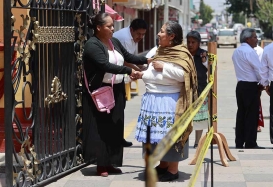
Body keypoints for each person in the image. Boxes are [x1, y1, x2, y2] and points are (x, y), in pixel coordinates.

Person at [82, 13, 150, 177]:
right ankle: (101, 164)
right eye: (109, 26)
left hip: (116, 89)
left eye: (113, 26)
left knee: (115, 126)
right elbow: (105, 65)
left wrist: (148, 60)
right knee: (102, 128)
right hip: (100, 91)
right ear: (98, 28)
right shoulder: (92, 45)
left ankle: (112, 162)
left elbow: (129, 57)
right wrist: (129, 71)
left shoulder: (114, 42)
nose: (113, 29)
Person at [134, 21, 198, 182]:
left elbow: (185, 76)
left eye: (161, 31)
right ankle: (162, 165)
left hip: (170, 101)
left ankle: (172, 169)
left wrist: (165, 67)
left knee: (170, 136)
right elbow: (152, 71)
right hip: (153, 100)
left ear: (171, 36)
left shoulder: (182, 53)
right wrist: (141, 75)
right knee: (157, 137)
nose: (158, 34)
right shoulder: (158, 50)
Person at [113, 18, 148, 147]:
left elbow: (130, 57)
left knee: (121, 106)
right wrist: (139, 69)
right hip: (114, 76)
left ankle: (118, 137)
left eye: (143, 34)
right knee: (117, 107)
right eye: (139, 34)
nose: (141, 37)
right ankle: (116, 138)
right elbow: (125, 59)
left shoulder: (132, 37)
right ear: (132, 30)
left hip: (120, 75)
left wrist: (140, 67)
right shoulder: (125, 38)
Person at [232, 28, 264, 149]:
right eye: (255, 37)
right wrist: (264, 83)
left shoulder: (236, 51)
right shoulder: (250, 52)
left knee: (241, 113)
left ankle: (239, 141)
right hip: (250, 86)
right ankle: (250, 142)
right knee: (251, 115)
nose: (257, 39)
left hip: (240, 85)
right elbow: (259, 70)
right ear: (247, 39)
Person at [186, 31, 209, 148]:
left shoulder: (203, 54)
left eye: (193, 42)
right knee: (185, 116)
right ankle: (184, 140)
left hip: (201, 89)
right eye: (188, 42)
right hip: (186, 90)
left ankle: (197, 142)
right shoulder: (184, 54)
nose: (190, 44)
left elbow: (211, 69)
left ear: (198, 43)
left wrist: (205, 61)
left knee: (199, 118)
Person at [254, 45, 264, 132]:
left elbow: (261, 67)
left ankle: (257, 124)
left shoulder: (260, 50)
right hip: (248, 81)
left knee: (256, 104)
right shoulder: (245, 50)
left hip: (257, 82)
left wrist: (262, 82)